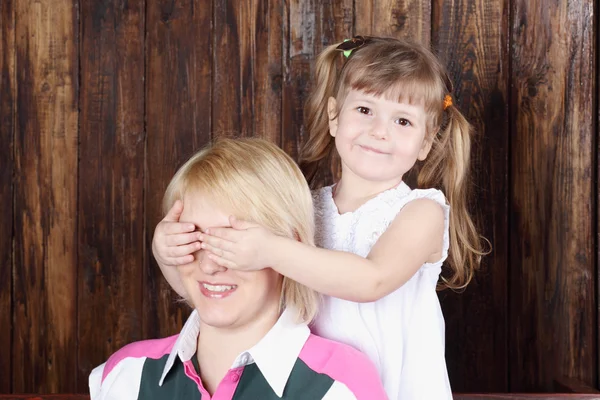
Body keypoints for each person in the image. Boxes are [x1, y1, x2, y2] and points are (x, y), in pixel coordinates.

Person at [153, 36, 487, 399]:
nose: (379, 130)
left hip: (394, 389)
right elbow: (228, 298)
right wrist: (168, 252)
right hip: (309, 387)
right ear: (333, 117)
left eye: (403, 121)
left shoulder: (422, 212)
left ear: (426, 143)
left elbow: (370, 281)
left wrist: (270, 249)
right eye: (364, 110)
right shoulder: (306, 207)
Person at [89, 138, 387, 400]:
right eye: (192, 239)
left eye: (231, 244)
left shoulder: (338, 387)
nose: (209, 264)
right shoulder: (126, 375)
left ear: (288, 248)